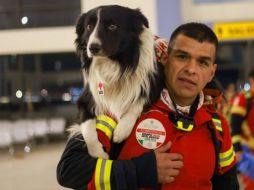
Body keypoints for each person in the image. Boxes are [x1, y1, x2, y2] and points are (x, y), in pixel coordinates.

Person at [57, 23, 239, 190]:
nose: (191, 69)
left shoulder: (217, 127)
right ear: (165, 59)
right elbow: (69, 170)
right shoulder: (121, 108)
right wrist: (140, 170)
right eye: (182, 57)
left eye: (202, 62)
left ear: (211, 73)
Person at [230, 68, 254, 190]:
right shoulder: (244, 98)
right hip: (248, 151)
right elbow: (234, 125)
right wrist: (237, 148)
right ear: (251, 80)